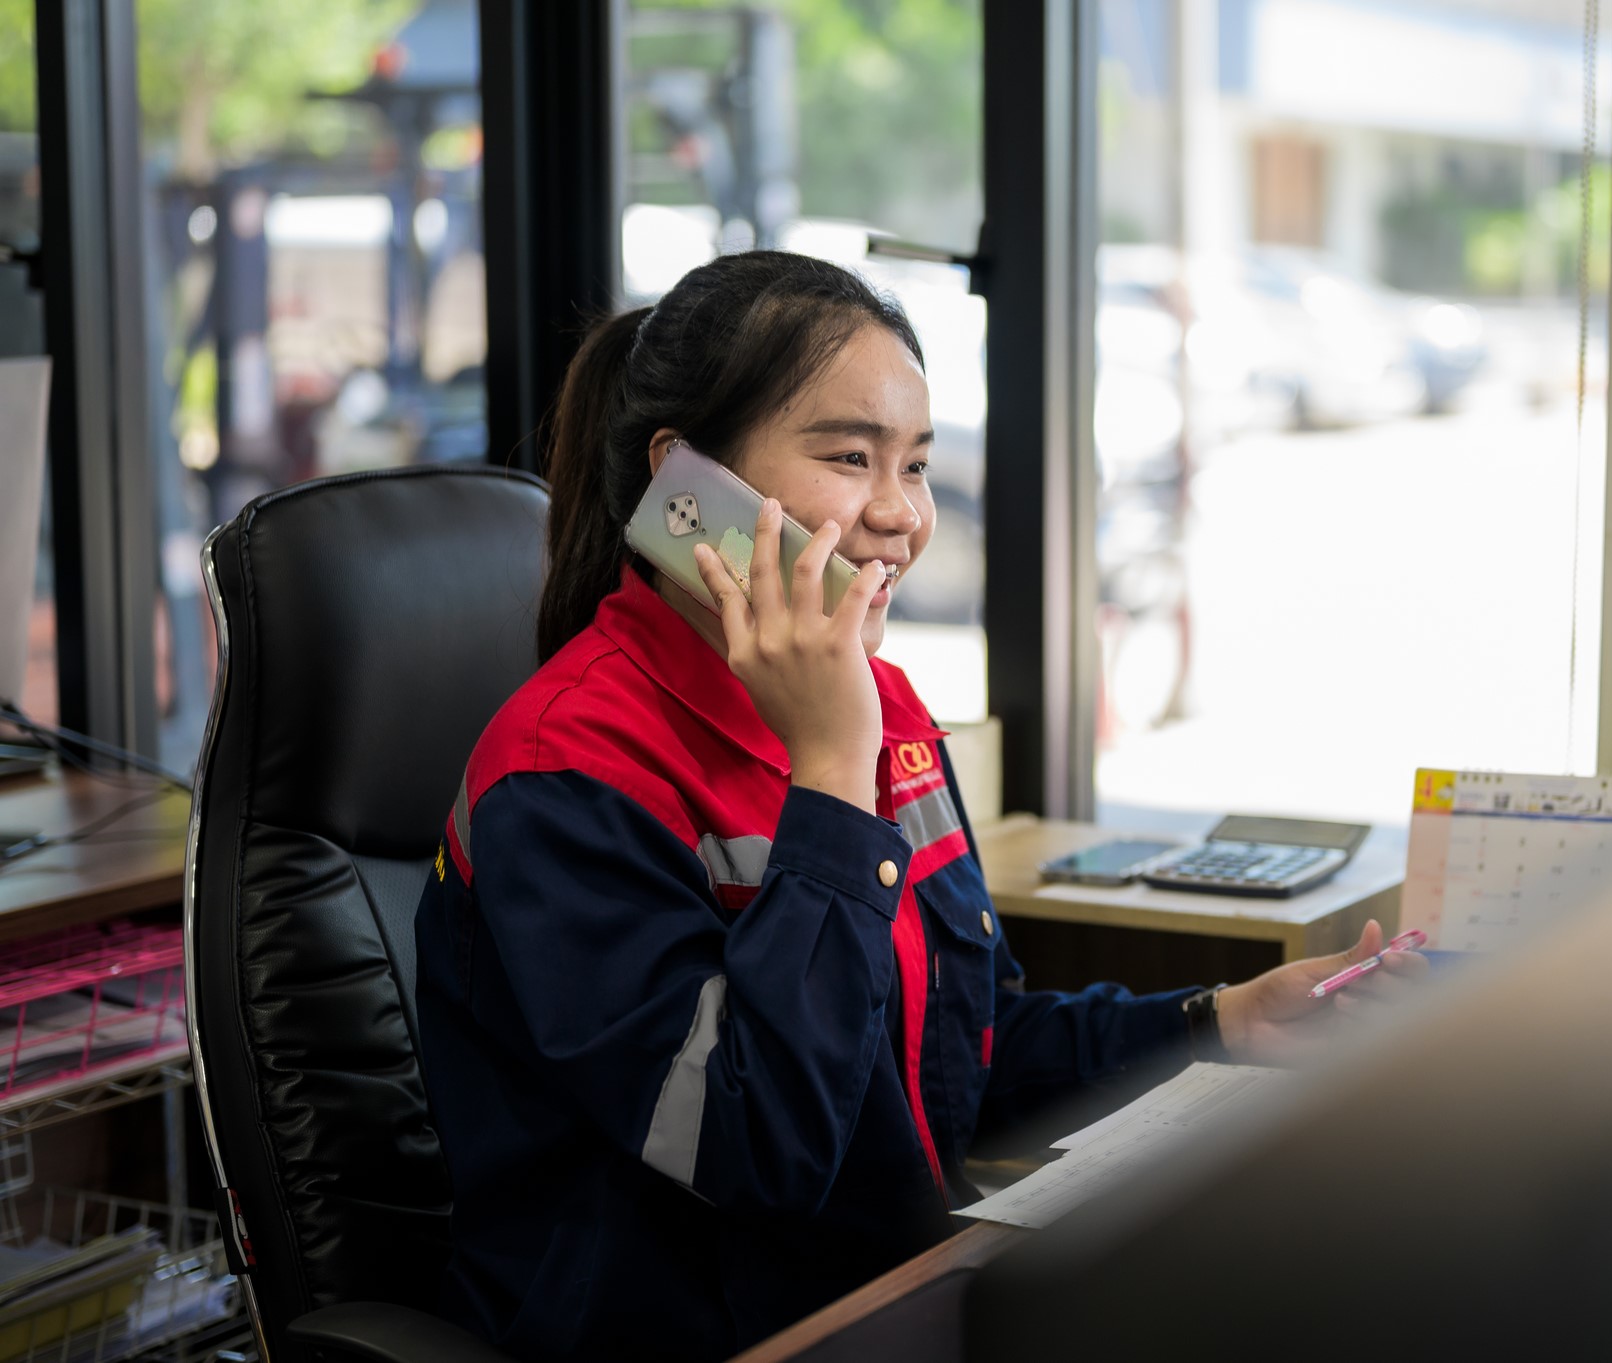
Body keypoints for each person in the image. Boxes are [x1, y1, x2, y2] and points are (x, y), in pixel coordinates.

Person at [412, 251, 1423, 1362]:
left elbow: (955, 1062)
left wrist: (1215, 1023)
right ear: (683, 485)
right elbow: (756, 1148)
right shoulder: (568, 769)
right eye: (850, 458)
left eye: (919, 465)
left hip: (895, 1299)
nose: (900, 516)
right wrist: (830, 771)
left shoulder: (879, 711)